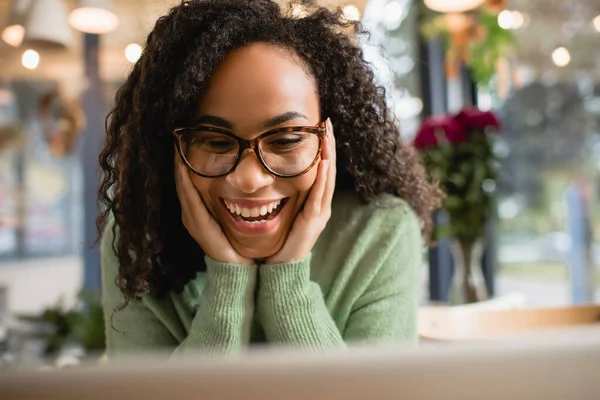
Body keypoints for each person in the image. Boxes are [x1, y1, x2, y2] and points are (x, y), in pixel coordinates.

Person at [98, 0, 442, 360]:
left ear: (328, 140)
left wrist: (287, 284)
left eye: (286, 140)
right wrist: (227, 287)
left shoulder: (380, 233)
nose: (249, 178)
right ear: (171, 143)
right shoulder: (138, 237)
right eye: (215, 141)